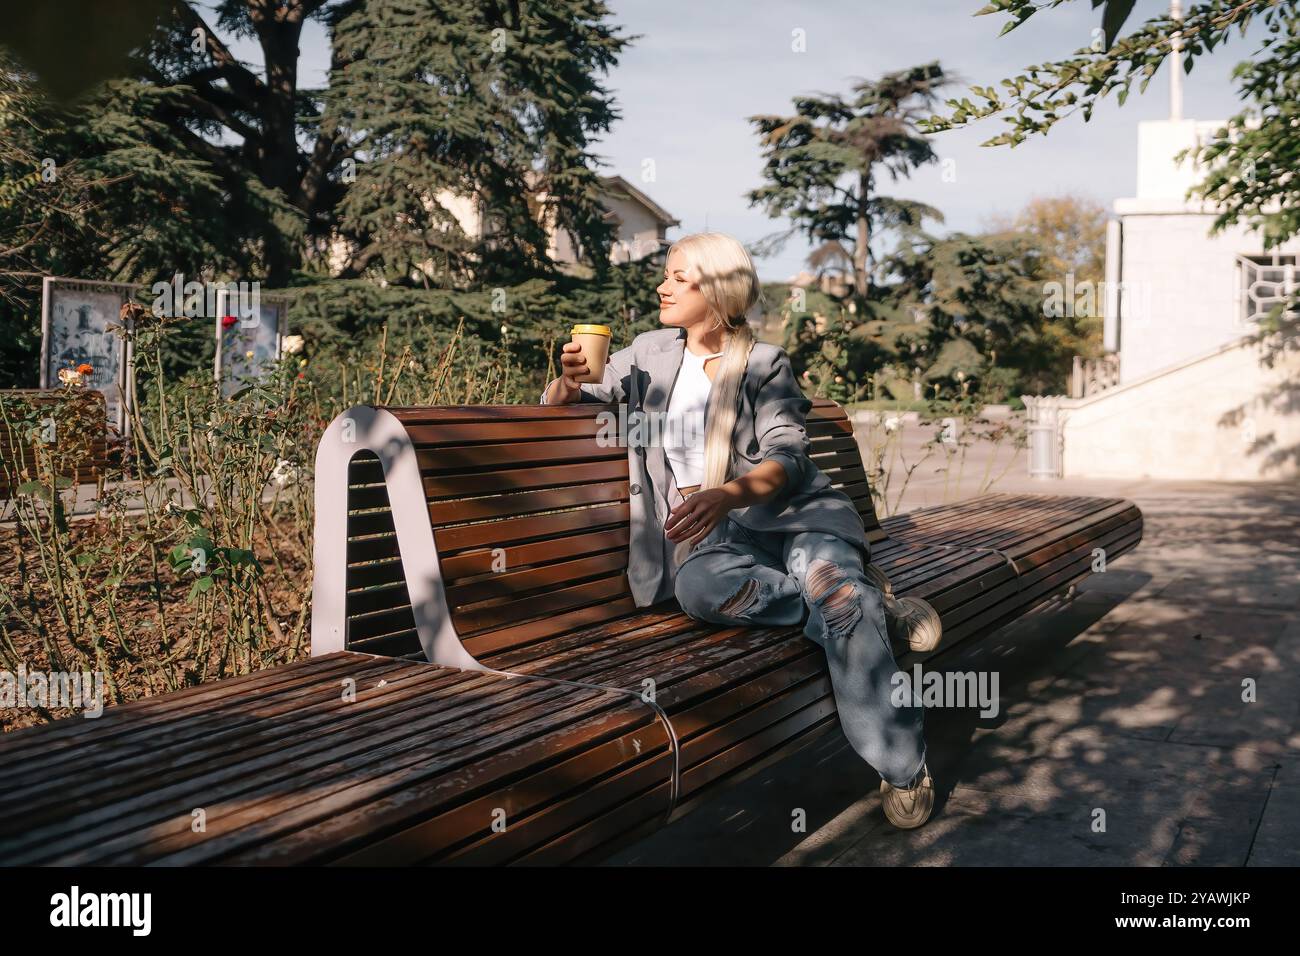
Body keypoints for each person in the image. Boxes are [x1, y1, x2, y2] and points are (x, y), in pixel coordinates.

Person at [541, 232, 934, 828]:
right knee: (706, 591)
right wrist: (569, 381)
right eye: (666, 276)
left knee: (830, 584)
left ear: (718, 290)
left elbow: (789, 456)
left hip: (793, 517)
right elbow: (562, 406)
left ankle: (902, 766)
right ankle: (867, 607)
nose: (662, 287)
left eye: (678, 278)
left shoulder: (764, 362)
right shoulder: (646, 354)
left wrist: (728, 493)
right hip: (714, 544)